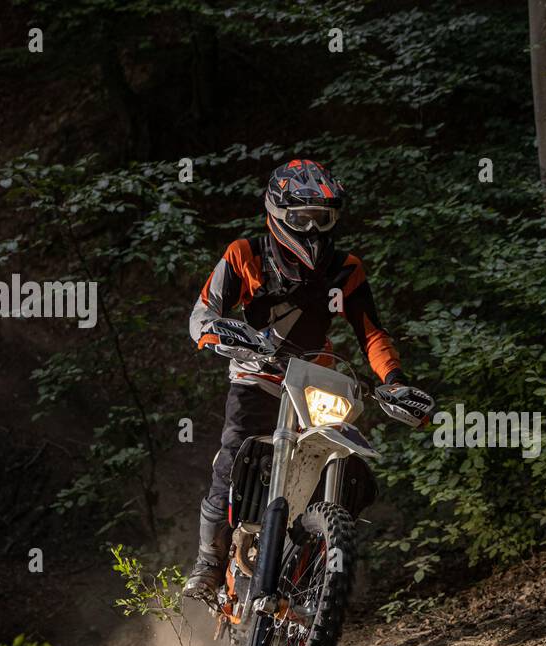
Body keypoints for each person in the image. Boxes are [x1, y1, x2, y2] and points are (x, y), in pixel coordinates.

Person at [182, 158, 434, 603]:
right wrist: (217, 332)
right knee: (233, 455)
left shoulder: (346, 269)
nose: (313, 229)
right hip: (255, 373)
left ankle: (314, 563)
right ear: (278, 214)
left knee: (347, 465)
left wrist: (393, 380)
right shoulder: (247, 253)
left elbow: (371, 332)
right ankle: (209, 558)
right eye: (302, 218)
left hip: (315, 379)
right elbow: (203, 311)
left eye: (323, 219)